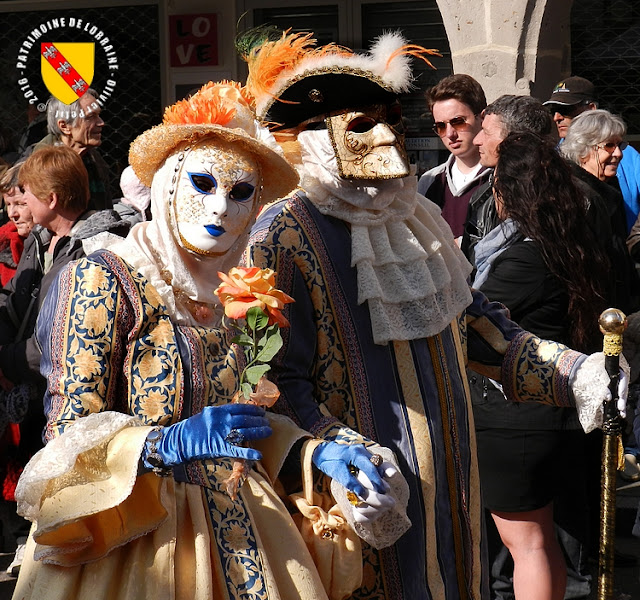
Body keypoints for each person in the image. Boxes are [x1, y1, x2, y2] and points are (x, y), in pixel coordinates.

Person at [241, 29, 625, 600]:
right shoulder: (283, 233)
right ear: (316, 137)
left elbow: (478, 325)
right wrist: (327, 451)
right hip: (358, 499)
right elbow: (267, 376)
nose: (387, 137)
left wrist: (574, 372)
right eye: (362, 124)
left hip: (451, 485)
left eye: (391, 120)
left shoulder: (415, 217)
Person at [10, 81, 342, 600]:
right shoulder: (107, 279)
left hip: (244, 522)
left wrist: (310, 450)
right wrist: (166, 443)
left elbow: (236, 414)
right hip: (137, 537)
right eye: (203, 184)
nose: (220, 209)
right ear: (168, 185)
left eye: (240, 193)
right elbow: (68, 435)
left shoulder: (245, 290)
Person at [471, 132, 609, 600]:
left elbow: (476, 321)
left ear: (506, 193)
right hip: (542, 416)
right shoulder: (567, 244)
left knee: (525, 544)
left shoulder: (527, 256)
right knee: (539, 541)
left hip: (516, 419)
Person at [559, 108, 638, 314]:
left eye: (620, 145)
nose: (618, 154)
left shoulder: (610, 188)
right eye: (609, 146)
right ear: (583, 150)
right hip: (592, 311)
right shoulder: (574, 196)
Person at [544, 76, 640, 233]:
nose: (557, 117)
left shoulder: (628, 156)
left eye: (566, 110)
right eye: (553, 110)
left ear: (591, 109)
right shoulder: (551, 160)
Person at [463, 94, 553, 261]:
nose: (477, 140)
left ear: (517, 141)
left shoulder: (571, 199)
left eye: (486, 132)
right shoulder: (482, 198)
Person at [417, 74, 491, 241]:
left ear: (482, 117)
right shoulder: (429, 181)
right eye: (441, 126)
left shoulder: (501, 177)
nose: (450, 134)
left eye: (458, 122)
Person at [23, 90, 112, 211]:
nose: (101, 123)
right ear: (65, 126)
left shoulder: (93, 158)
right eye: (90, 117)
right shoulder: (44, 164)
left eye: (98, 115)